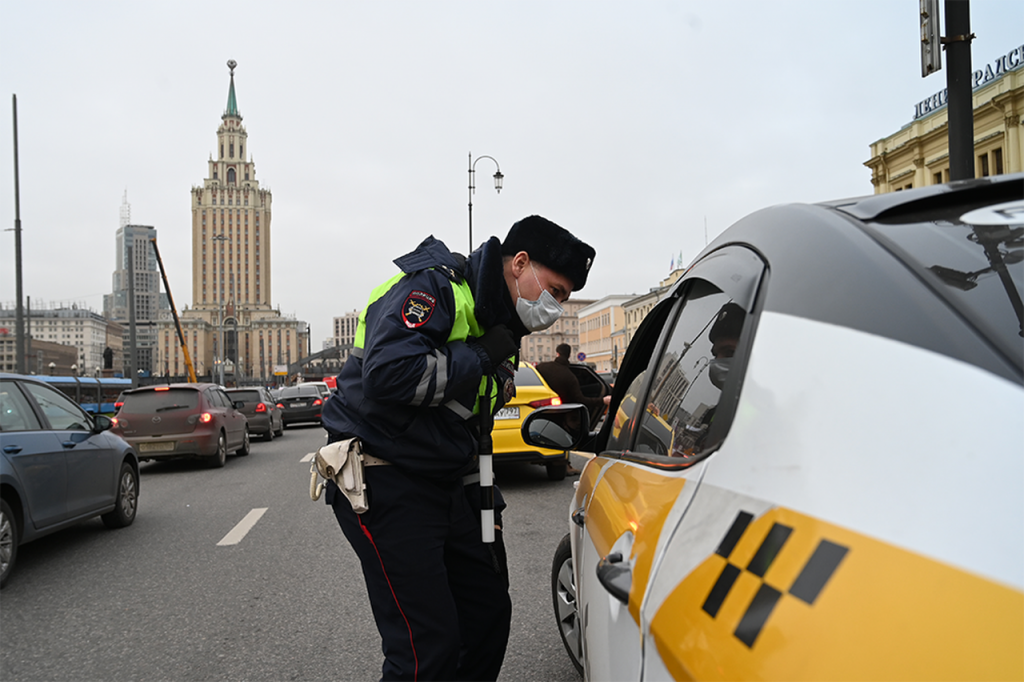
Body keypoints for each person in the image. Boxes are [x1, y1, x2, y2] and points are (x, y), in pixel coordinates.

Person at [321, 215, 596, 682]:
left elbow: (468, 423)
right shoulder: (437, 288)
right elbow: (389, 375)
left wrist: (485, 504)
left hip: (445, 481)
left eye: (564, 299)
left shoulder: (500, 325)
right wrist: (481, 356)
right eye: (555, 291)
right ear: (520, 264)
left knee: (486, 617)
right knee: (427, 647)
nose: (555, 307)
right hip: (384, 475)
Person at [535, 343, 611, 475]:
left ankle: (565, 463)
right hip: (562, 412)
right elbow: (580, 400)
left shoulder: (542, 367)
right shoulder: (570, 377)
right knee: (565, 436)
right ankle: (563, 464)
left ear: (557, 353)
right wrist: (602, 401)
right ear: (569, 355)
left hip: (538, 408)